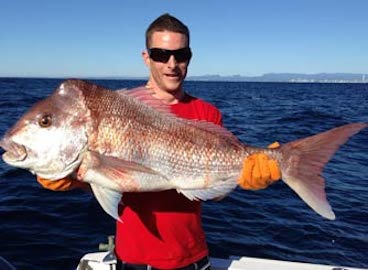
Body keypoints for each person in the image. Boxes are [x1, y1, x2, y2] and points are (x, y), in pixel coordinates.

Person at [37, 14, 280, 270]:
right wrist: (74, 180)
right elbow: (114, 181)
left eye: (180, 54)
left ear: (190, 57)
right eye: (161, 54)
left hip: (193, 259)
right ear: (146, 57)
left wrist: (245, 177)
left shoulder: (207, 113)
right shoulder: (119, 108)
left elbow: (211, 191)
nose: (171, 64)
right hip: (132, 261)